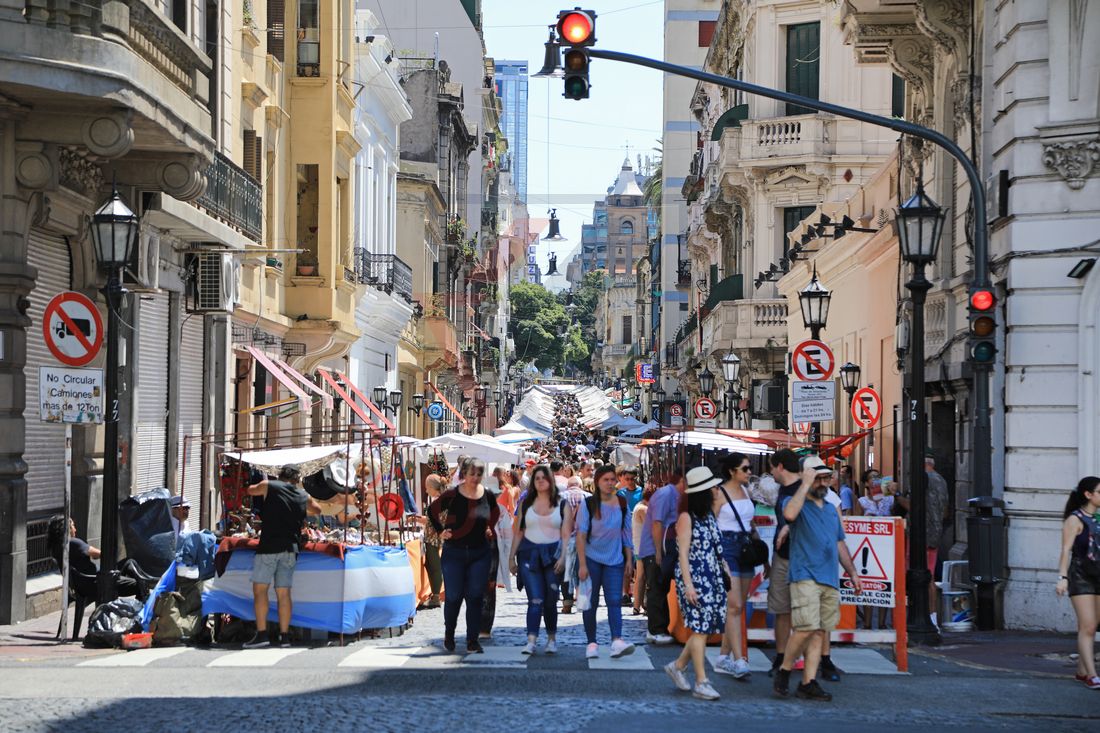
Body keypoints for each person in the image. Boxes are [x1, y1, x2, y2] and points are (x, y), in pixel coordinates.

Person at [773, 457, 862, 702]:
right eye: (818, 478)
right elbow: (789, 514)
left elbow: (839, 542)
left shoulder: (831, 509)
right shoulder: (796, 502)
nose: (823, 483)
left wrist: (853, 573)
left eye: (826, 478)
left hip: (829, 577)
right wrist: (805, 483)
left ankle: (808, 682)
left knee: (820, 631)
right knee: (806, 627)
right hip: (805, 575)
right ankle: (784, 670)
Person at [664, 466, 727, 701]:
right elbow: (683, 554)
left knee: (705, 629)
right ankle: (702, 681)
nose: (717, 489)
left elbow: (714, 546)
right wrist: (689, 585)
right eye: (713, 487)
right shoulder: (686, 518)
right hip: (695, 578)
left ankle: (678, 666)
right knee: (700, 630)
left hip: (711, 577)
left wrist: (724, 570)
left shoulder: (707, 515)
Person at [244, 466, 323, 648]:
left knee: (260, 590)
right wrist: (300, 508)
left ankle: (262, 634)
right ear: (297, 480)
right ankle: (284, 636)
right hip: (290, 548)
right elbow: (317, 509)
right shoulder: (303, 495)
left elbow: (250, 490)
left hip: (268, 547)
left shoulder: (269, 485)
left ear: (280, 476)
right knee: (284, 593)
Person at [428, 457, 499, 653]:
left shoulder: (488, 495)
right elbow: (432, 511)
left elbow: (495, 513)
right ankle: (449, 634)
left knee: (475, 596)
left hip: (479, 552)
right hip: (454, 552)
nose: (475, 477)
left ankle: (472, 640)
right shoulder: (452, 494)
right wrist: (440, 531)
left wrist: (490, 528)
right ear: (464, 474)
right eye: (471, 474)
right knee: (453, 596)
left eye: (479, 474)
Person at [574, 463, 635, 659]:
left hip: (614, 560)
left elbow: (626, 533)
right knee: (590, 603)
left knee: (614, 601)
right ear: (597, 482)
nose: (609, 483)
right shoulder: (588, 504)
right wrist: (582, 564)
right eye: (605, 480)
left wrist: (629, 558)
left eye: (612, 480)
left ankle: (617, 640)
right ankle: (591, 642)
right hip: (591, 558)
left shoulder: (622, 503)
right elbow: (581, 535)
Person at [712, 453, 763, 679]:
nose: (749, 472)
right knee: (734, 606)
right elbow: (711, 525)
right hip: (727, 548)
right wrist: (717, 556)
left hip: (745, 547)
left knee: (738, 607)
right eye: (745, 468)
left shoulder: (746, 491)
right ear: (732, 471)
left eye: (749, 468)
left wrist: (762, 553)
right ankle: (739, 659)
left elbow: (750, 523)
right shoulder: (719, 493)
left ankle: (723, 657)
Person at [509, 464, 566, 655]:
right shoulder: (525, 503)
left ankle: (551, 638)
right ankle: (531, 640)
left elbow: (566, 534)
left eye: (544, 477)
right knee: (535, 599)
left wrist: (564, 557)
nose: (541, 481)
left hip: (552, 556)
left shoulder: (561, 503)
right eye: (537, 478)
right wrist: (511, 557)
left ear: (550, 480)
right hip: (529, 555)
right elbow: (519, 531)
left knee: (550, 601)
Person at [1055, 476, 1100, 689]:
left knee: (1093, 625)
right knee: (1088, 626)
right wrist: (1062, 578)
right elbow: (1065, 550)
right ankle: (1092, 674)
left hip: (1098, 575)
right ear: (1088, 495)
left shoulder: (1098, 518)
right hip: (1081, 576)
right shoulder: (1075, 519)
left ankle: (1082, 671)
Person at [766, 448, 802, 677]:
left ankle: (795, 658)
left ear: (780, 467)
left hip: (801, 557)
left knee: (802, 611)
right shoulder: (782, 489)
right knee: (781, 610)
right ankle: (781, 657)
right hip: (782, 556)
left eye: (772, 468)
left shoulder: (804, 488)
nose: (771, 473)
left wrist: (789, 527)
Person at [643, 471, 683, 646]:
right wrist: (658, 551)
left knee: (661, 587)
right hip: (655, 549)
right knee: (657, 587)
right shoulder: (666, 494)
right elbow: (657, 523)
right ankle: (656, 630)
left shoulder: (672, 494)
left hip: (663, 548)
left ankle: (660, 628)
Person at [924, 456, 950, 618]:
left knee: (921, 575)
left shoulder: (924, 479)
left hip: (922, 534)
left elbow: (912, 505)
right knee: (930, 576)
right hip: (936, 533)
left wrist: (897, 495)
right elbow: (946, 511)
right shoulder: (942, 481)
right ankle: (932, 617)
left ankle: (923, 614)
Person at [415, 474, 446, 609]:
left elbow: (432, 522)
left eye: (427, 488)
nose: (426, 490)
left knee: (434, 567)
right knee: (433, 565)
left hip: (433, 538)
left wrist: (417, 519)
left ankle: (436, 597)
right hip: (435, 537)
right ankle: (435, 595)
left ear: (433, 488)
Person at [631, 484, 654, 616]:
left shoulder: (639, 506)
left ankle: (637, 606)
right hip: (643, 548)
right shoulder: (643, 509)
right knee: (641, 577)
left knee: (640, 577)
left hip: (639, 546)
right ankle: (638, 605)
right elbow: (652, 527)